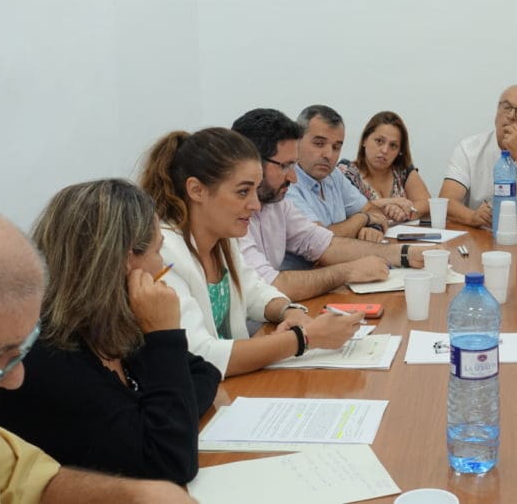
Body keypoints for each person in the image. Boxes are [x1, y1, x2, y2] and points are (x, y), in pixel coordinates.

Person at [0, 180, 220, 485]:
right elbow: (171, 462)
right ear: (127, 261)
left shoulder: (108, 329)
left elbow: (204, 373)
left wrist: (157, 418)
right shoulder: (50, 360)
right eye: (158, 250)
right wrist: (163, 335)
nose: (163, 264)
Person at [140, 127, 363, 377]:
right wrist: (305, 338)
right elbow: (200, 356)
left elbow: (255, 292)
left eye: (256, 190)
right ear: (196, 190)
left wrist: (289, 312)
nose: (256, 205)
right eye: (243, 192)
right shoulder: (163, 255)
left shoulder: (223, 241)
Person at [231, 109, 432, 301]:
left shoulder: (277, 203)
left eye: (336, 146)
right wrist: (348, 271)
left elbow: (324, 244)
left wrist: (406, 253)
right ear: (252, 163)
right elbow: (269, 285)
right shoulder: (230, 215)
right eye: (285, 166)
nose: (293, 177)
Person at [440, 84, 517, 225]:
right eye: (506, 107)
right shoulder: (469, 148)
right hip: (481, 231)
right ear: (497, 110)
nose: (511, 116)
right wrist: (472, 217)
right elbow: (446, 202)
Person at [289, 105, 409, 242]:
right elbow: (318, 240)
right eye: (319, 144)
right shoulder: (286, 183)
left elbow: (371, 210)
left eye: (336, 147)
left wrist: (372, 228)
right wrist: (362, 219)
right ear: (296, 140)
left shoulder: (334, 175)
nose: (329, 155)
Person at [339, 110, 433, 217]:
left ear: (400, 151)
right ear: (365, 140)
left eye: (393, 145)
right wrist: (392, 202)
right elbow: (344, 210)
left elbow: (428, 203)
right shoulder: (346, 172)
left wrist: (402, 211)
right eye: (379, 141)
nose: (385, 150)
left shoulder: (402, 170)